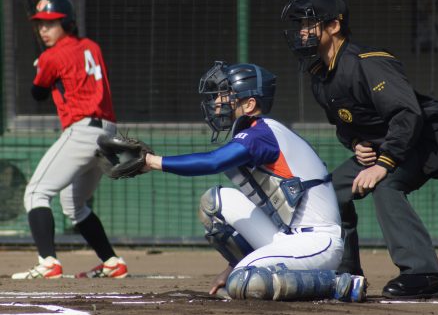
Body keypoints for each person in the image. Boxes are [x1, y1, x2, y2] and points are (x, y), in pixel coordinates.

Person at [281, 0, 438, 299]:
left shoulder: (367, 63)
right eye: (299, 25)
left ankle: (424, 275)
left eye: (309, 24)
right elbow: (346, 124)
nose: (302, 31)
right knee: (328, 193)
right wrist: (356, 143)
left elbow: (407, 114)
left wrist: (383, 164)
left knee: (386, 186)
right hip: (381, 148)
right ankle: (346, 274)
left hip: (421, 141)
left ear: (334, 26)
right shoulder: (319, 76)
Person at [141, 61, 367, 301]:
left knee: (244, 282)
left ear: (249, 104)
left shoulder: (262, 134)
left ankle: (338, 284)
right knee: (214, 202)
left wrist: (152, 162)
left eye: (226, 94)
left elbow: (213, 162)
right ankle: (245, 267)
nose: (218, 101)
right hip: (288, 236)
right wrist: (233, 265)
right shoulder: (256, 132)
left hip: (316, 242)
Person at [12, 0, 127, 279]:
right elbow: (72, 68)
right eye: (40, 24)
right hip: (107, 131)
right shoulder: (91, 47)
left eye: (50, 24)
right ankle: (112, 262)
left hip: (82, 130)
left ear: (67, 23)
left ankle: (48, 262)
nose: (43, 30)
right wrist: (48, 64)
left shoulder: (51, 57)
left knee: (36, 192)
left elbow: (37, 94)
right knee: (73, 204)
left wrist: (43, 66)